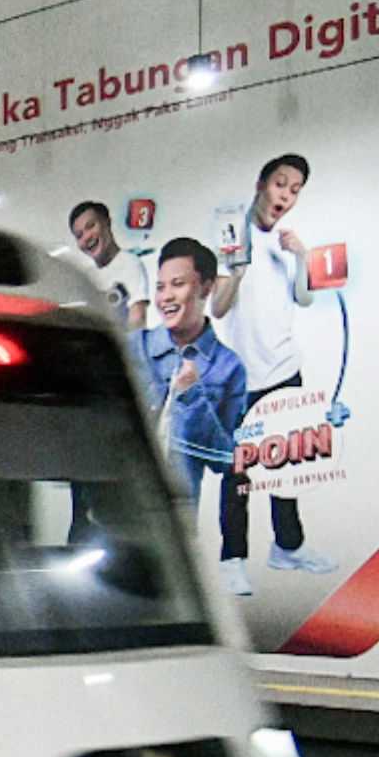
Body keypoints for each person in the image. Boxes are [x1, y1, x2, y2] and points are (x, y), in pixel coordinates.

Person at [210, 154, 337, 581]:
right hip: (241, 379)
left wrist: (301, 256)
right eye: (281, 184)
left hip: (285, 372)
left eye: (295, 190)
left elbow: (304, 298)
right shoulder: (232, 234)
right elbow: (218, 307)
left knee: (287, 471)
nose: (286, 195)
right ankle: (233, 559)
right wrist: (236, 273)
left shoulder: (286, 244)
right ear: (260, 185)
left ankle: (288, 547)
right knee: (238, 473)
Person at [131, 238, 253, 598]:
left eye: (178, 284)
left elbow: (224, 459)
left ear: (206, 287)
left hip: (179, 525)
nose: (166, 297)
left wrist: (192, 396)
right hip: (121, 514)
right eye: (160, 287)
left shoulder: (229, 367)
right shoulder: (133, 349)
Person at [64, 200, 149, 333]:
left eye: (91, 226)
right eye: (79, 235)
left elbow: (138, 320)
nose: (86, 237)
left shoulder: (131, 264)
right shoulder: (86, 276)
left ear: (107, 223)